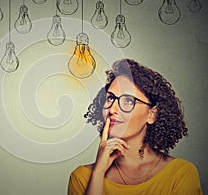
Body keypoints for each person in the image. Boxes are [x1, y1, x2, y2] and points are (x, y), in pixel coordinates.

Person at [68, 59, 203, 195]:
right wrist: (98, 173)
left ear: (152, 115)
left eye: (128, 101)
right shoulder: (82, 178)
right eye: (110, 98)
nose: (112, 109)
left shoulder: (180, 174)